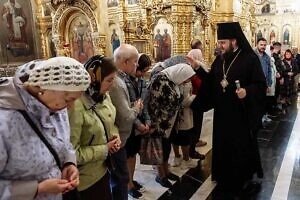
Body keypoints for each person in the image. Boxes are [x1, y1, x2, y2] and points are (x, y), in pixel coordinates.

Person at [189, 22, 266, 198]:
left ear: (234, 41)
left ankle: (240, 176)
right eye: (219, 43)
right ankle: (222, 174)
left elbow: (261, 85)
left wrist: (247, 91)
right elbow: (211, 82)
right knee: (223, 144)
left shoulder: (249, 58)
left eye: (223, 42)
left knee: (239, 146)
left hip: (240, 114)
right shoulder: (220, 59)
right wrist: (197, 69)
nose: (220, 46)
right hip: (223, 113)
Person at [0, 57, 91, 199]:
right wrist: (38, 188)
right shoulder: (4, 121)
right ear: (43, 89)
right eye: (69, 100)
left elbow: (63, 143)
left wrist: (69, 162)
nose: (71, 107)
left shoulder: (56, 106)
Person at [68, 55, 121, 200]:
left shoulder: (102, 95)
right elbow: (72, 153)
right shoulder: (76, 106)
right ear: (94, 80)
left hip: (103, 170)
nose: (113, 84)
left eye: (113, 79)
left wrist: (115, 135)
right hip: (85, 180)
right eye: (109, 80)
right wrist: (105, 149)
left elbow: (110, 121)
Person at [148, 63, 195, 188]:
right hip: (159, 123)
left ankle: (166, 172)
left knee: (167, 148)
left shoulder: (173, 80)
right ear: (181, 73)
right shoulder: (159, 79)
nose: (186, 81)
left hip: (169, 123)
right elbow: (154, 103)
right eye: (186, 78)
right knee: (159, 150)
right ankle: (160, 175)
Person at [109, 44, 143, 199]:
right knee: (120, 180)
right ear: (125, 62)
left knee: (121, 177)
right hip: (118, 141)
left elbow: (119, 108)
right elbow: (125, 117)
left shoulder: (120, 79)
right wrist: (136, 108)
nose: (137, 65)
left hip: (120, 139)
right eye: (135, 61)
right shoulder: (116, 82)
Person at [124, 53, 152, 199]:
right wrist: (139, 125)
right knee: (128, 155)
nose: (142, 74)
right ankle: (128, 185)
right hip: (129, 125)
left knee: (133, 154)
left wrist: (147, 121)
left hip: (139, 122)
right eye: (141, 70)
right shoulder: (124, 81)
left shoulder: (141, 80)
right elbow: (127, 107)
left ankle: (131, 180)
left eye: (145, 71)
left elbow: (143, 103)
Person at [254, 38, 273, 123]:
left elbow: (269, 71)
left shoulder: (267, 57)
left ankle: (262, 116)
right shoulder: (252, 55)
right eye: (261, 45)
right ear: (257, 44)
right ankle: (255, 118)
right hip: (254, 83)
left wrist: (268, 84)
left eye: (264, 45)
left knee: (263, 100)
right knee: (254, 101)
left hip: (263, 83)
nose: (263, 47)